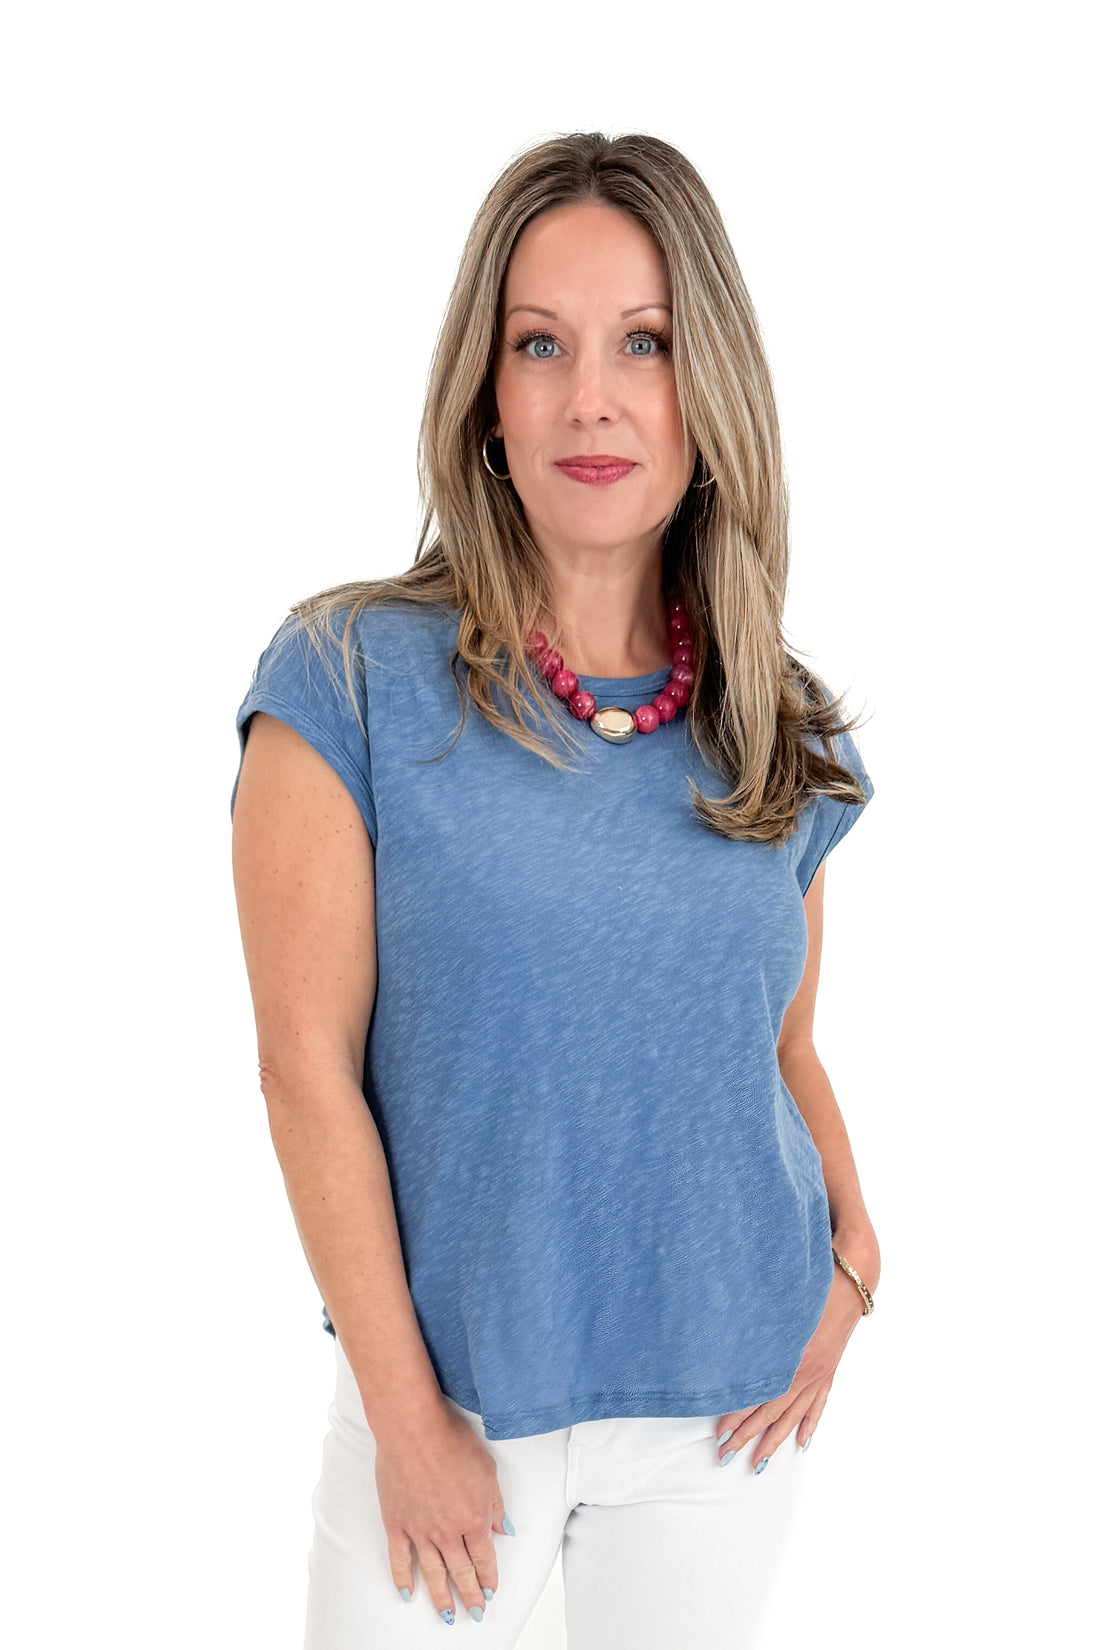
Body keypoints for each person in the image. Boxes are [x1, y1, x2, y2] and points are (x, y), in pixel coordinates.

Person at [230, 130, 881, 1649]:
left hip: (729, 1411)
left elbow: (778, 1047)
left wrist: (856, 1254)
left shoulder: (778, 720)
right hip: (453, 1403)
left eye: (644, 345)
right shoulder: (345, 681)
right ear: (489, 395)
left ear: (704, 395)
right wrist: (405, 1415)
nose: (593, 396)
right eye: (543, 344)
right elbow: (303, 1068)